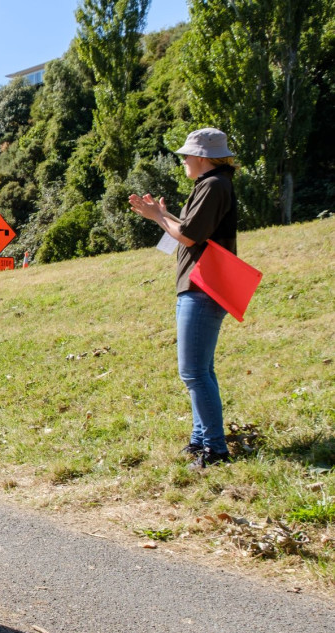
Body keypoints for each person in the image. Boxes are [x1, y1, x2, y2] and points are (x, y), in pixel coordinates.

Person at [129, 127, 238, 469]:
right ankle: (200, 439)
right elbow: (193, 230)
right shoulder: (212, 185)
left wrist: (158, 216)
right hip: (200, 286)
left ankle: (215, 450)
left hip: (202, 288)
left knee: (193, 372)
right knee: (201, 370)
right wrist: (160, 217)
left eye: (187, 155)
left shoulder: (213, 185)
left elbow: (189, 236)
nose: (184, 161)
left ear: (203, 158)